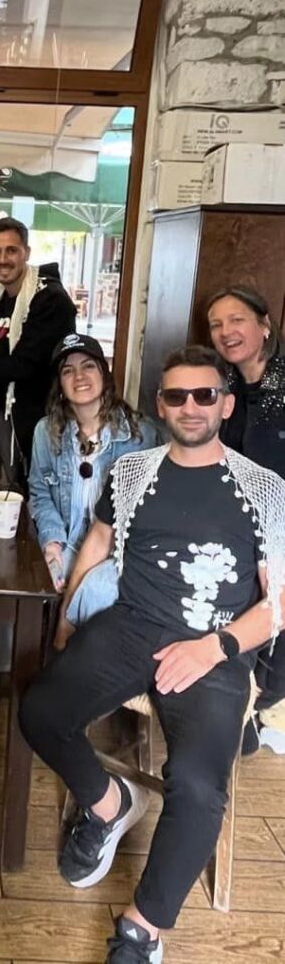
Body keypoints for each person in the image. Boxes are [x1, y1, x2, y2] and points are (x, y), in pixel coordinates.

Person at [19, 345, 285, 963]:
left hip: (215, 644)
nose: (190, 407)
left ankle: (142, 929)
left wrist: (215, 647)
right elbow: (97, 541)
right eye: (175, 395)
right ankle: (110, 804)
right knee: (40, 710)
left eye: (204, 395)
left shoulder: (263, 488)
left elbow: (278, 604)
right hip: (132, 625)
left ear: (225, 404)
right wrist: (67, 617)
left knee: (197, 785)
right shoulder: (133, 470)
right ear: (160, 405)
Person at [28, 333, 159, 639]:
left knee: (94, 592)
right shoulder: (45, 432)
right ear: (60, 384)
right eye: (68, 370)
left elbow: (145, 513)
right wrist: (52, 543)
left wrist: (88, 568)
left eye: (88, 366)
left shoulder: (140, 435)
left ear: (104, 374)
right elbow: (40, 494)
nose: (79, 376)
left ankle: (70, 657)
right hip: (67, 541)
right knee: (30, 586)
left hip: (117, 552)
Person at [207, 284, 285, 741]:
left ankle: (263, 703)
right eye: (216, 324)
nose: (226, 331)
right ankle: (231, 694)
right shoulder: (223, 386)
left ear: (264, 325)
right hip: (235, 518)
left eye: (236, 320)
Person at [0, 217, 76, 485]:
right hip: (4, 418)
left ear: (26, 253)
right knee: (9, 489)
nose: (3, 259)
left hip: (44, 422)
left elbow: (27, 363)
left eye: (11, 250)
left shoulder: (51, 299)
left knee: (37, 494)